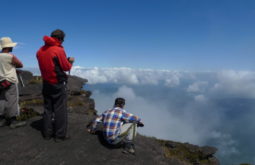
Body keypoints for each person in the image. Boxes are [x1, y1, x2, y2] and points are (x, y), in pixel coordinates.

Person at [36, 29, 74, 142]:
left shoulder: (39, 51)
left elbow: (50, 63)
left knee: (48, 108)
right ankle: (59, 135)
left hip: (46, 83)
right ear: (60, 39)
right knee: (60, 109)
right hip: (57, 83)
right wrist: (70, 61)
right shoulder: (58, 50)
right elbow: (66, 67)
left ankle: (47, 134)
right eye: (63, 40)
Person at [0, 37, 26, 128]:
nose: (12, 48)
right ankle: (13, 121)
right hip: (10, 81)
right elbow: (20, 64)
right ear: (8, 47)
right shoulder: (10, 56)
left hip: (1, 81)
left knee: (2, 99)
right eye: (11, 46)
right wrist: (14, 67)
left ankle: (1, 119)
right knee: (12, 100)